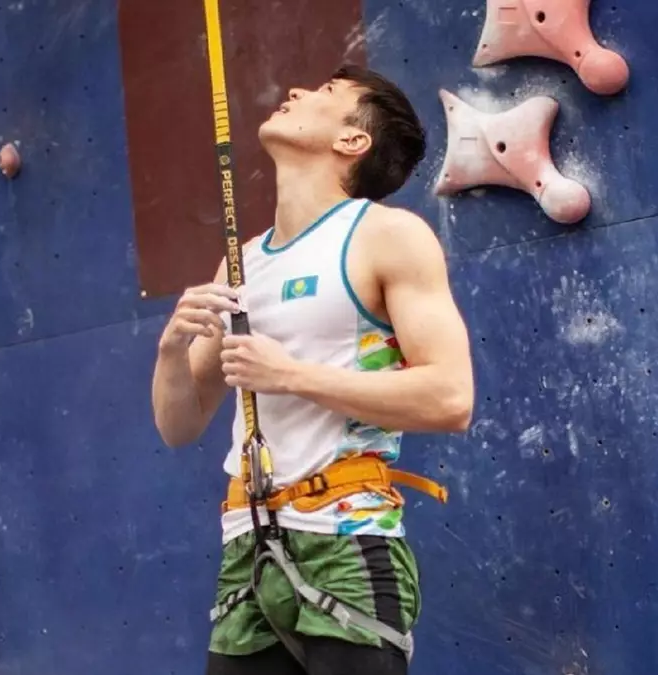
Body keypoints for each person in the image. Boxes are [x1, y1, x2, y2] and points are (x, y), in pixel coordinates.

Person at [150, 64, 475, 675]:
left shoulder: (387, 236)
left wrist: (292, 375)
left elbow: (451, 397)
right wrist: (171, 350)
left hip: (346, 539)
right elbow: (179, 426)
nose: (295, 90)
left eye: (325, 93)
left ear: (353, 140)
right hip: (247, 546)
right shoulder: (241, 264)